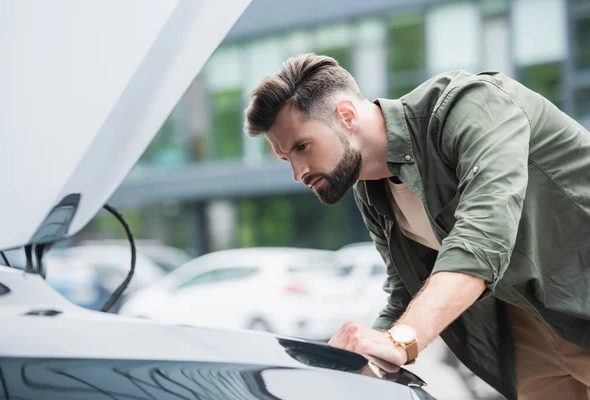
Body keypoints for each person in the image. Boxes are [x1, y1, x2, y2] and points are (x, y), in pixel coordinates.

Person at [243, 53, 590, 400]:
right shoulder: (369, 189)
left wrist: (399, 341)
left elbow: (484, 237)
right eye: (287, 158)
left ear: (346, 115)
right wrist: (359, 357)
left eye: (302, 146)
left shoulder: (472, 105)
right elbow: (406, 289)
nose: (298, 172)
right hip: (527, 336)